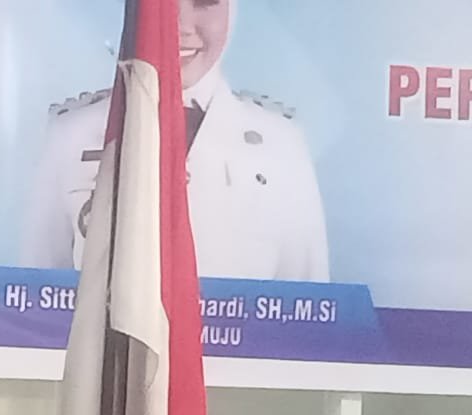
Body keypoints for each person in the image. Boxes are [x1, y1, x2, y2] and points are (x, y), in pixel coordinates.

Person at [21, 0, 328, 282]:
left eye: (204, 2)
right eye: (161, 4)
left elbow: (307, 305)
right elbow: (37, 298)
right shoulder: (71, 134)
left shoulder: (281, 145)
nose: (180, 26)